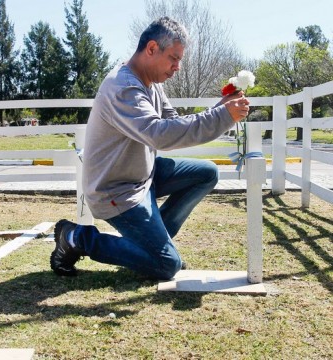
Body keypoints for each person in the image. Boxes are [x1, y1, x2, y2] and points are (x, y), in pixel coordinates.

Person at [50, 16, 249, 280]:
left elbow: (173, 123)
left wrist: (219, 109)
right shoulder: (123, 88)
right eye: (174, 58)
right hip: (117, 190)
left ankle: (155, 245)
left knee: (206, 173)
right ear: (152, 48)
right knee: (167, 266)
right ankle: (75, 237)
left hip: (144, 176)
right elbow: (159, 135)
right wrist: (222, 117)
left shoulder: (151, 83)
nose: (177, 67)